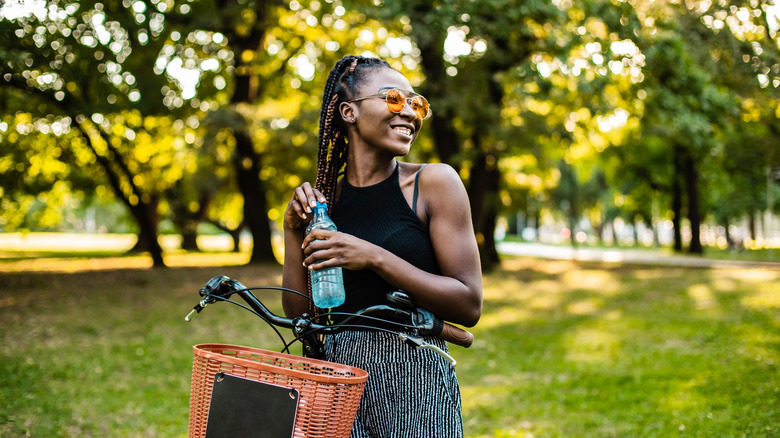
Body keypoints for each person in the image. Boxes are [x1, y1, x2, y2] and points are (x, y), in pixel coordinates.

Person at [281, 55, 482, 438]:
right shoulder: (326, 203)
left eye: (416, 103)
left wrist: (372, 257)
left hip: (416, 380)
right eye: (393, 98)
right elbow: (299, 313)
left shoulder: (434, 184)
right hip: (338, 378)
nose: (409, 113)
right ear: (348, 112)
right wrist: (292, 232)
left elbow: (469, 303)